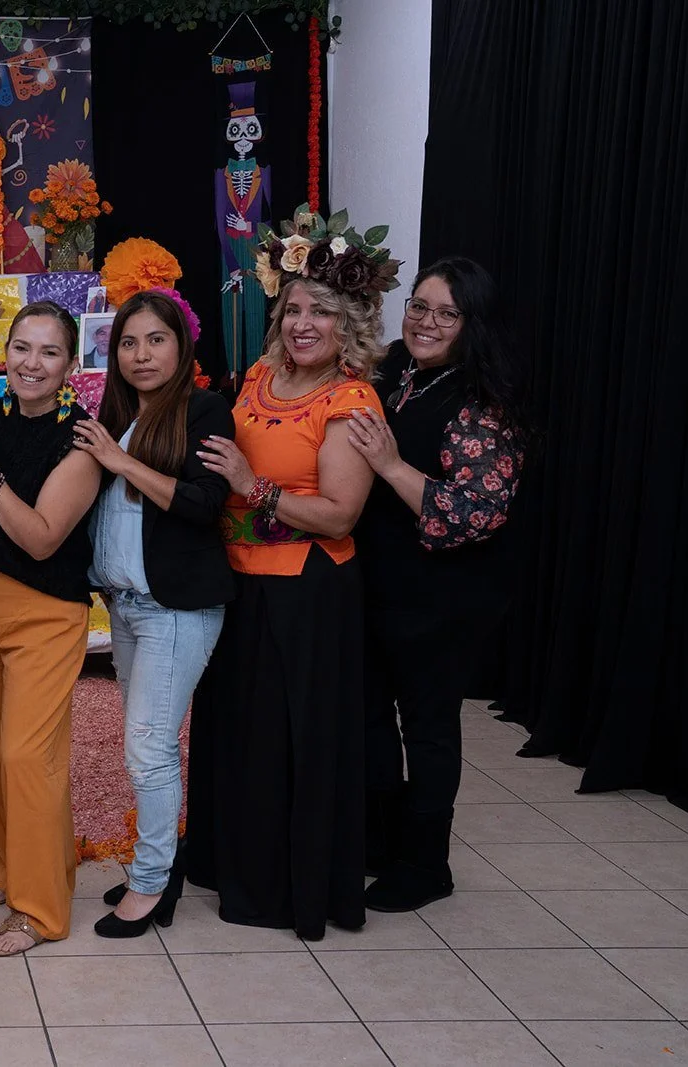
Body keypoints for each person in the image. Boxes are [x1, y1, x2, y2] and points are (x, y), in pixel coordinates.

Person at [191, 221, 396, 941]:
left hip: (305, 594)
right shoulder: (256, 376)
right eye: (294, 311)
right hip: (240, 586)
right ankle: (229, 864)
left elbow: (339, 514)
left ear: (350, 325)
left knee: (289, 743)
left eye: (322, 313)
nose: (303, 324)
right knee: (239, 737)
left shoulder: (351, 403)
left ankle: (287, 887)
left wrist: (255, 488)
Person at [349, 258, 531, 912]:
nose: (426, 322)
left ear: (471, 325)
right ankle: (376, 842)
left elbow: (473, 512)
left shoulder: (481, 402)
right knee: (368, 716)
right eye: (418, 306)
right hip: (379, 583)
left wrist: (390, 465)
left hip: (443, 598)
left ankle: (426, 865)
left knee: (425, 727)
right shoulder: (394, 366)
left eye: (445, 313)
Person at [70, 290, 234, 938]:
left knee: (147, 749)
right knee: (144, 748)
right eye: (129, 343)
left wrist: (117, 460)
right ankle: (154, 865)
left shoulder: (203, 408)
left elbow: (204, 502)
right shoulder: (116, 413)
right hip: (127, 608)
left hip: (174, 608)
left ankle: (152, 883)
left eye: (155, 340)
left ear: (180, 345)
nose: (141, 354)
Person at [0, 302, 101, 956]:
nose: (32, 363)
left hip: (46, 610)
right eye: (22, 348)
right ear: (3, 352)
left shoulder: (82, 439)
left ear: (69, 363)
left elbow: (39, 539)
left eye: (48, 352)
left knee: (25, 754)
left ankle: (39, 909)